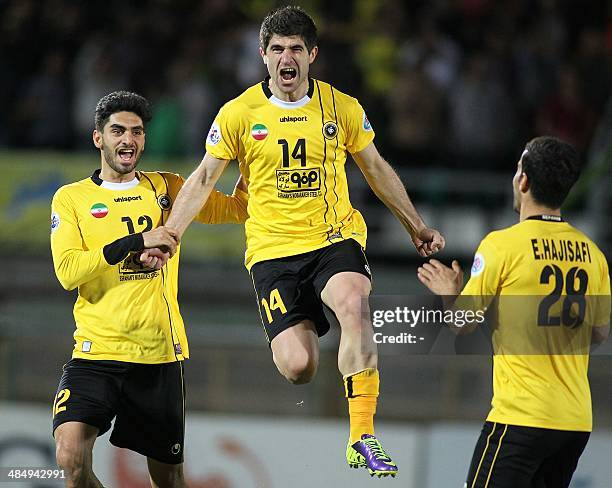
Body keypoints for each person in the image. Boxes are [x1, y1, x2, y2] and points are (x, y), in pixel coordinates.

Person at [162, 6, 444, 478]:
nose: (286, 57)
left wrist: (415, 224)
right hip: (272, 253)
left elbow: (374, 168)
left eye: (296, 48)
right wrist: (173, 232)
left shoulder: (341, 107)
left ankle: (362, 437)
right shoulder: (238, 113)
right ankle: (310, 342)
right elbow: (206, 176)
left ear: (312, 55)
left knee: (355, 305)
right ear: (263, 55)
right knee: (300, 367)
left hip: (333, 238)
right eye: (277, 49)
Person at [50, 91, 248, 488]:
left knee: (169, 479)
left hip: (157, 353)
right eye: (118, 130)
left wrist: (248, 153)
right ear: (98, 139)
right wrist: (134, 242)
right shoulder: (71, 198)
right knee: (70, 457)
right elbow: (69, 272)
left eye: (137, 132)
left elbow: (238, 207)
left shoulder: (168, 188)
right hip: (95, 352)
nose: (128, 139)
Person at [417, 136, 610, 488]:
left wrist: (450, 294)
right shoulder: (593, 255)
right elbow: (599, 333)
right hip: (574, 422)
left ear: (523, 181)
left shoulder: (502, 245)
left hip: (521, 417)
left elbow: (462, 324)